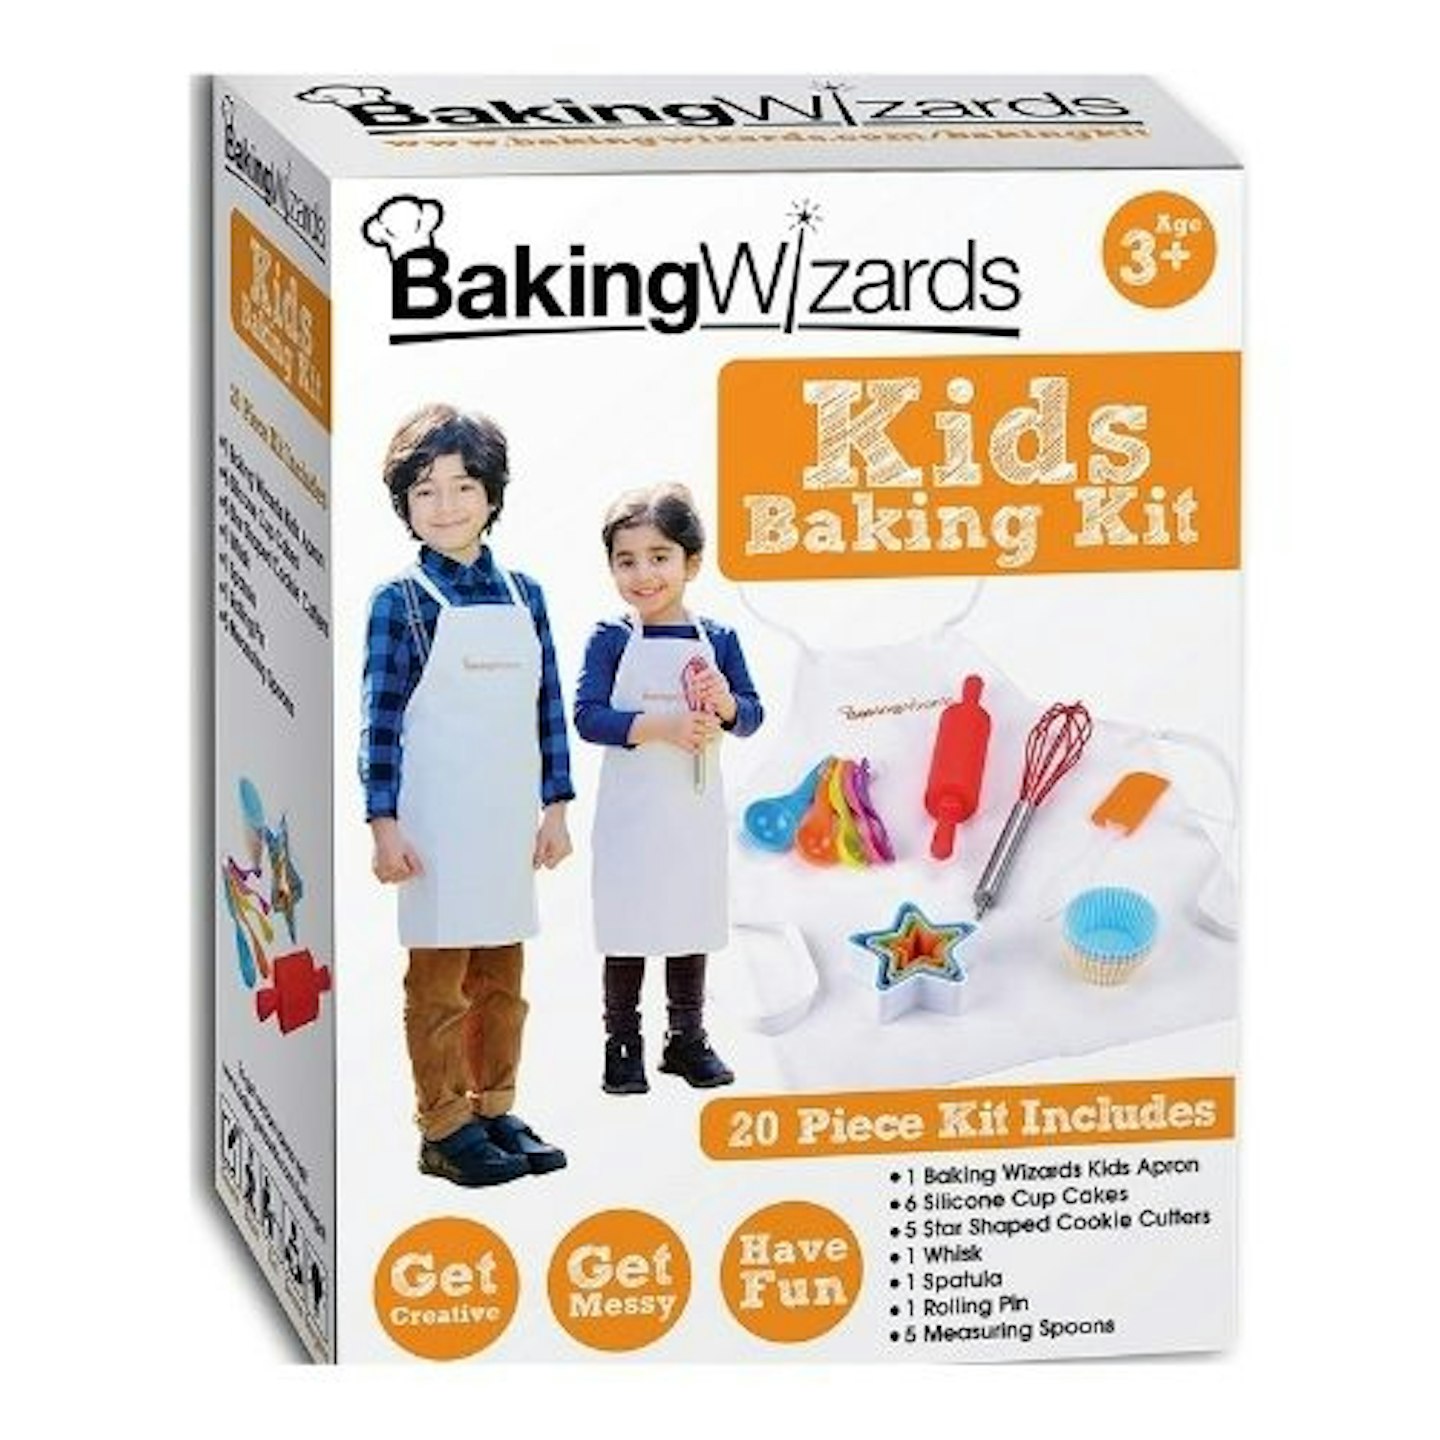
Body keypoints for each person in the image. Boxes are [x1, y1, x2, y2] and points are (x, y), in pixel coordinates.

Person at [360, 403, 573, 1187]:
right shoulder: (402, 601)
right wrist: (383, 824)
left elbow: (548, 707)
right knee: (440, 986)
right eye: (425, 491)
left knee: (501, 983)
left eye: (463, 486)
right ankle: (445, 1126)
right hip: (435, 828)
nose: (446, 506)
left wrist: (556, 809)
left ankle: (494, 1107)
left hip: (507, 824)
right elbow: (380, 721)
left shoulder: (527, 595)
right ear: (405, 505)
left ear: (492, 494)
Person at [575, 483, 764, 1095]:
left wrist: (725, 704)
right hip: (631, 815)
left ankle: (686, 1038)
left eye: (659, 557)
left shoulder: (719, 641)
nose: (643, 575)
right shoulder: (610, 638)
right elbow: (588, 718)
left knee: (689, 917)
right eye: (626, 561)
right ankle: (621, 1042)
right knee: (627, 924)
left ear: (692, 563)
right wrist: (665, 726)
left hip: (692, 811)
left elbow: (752, 716)